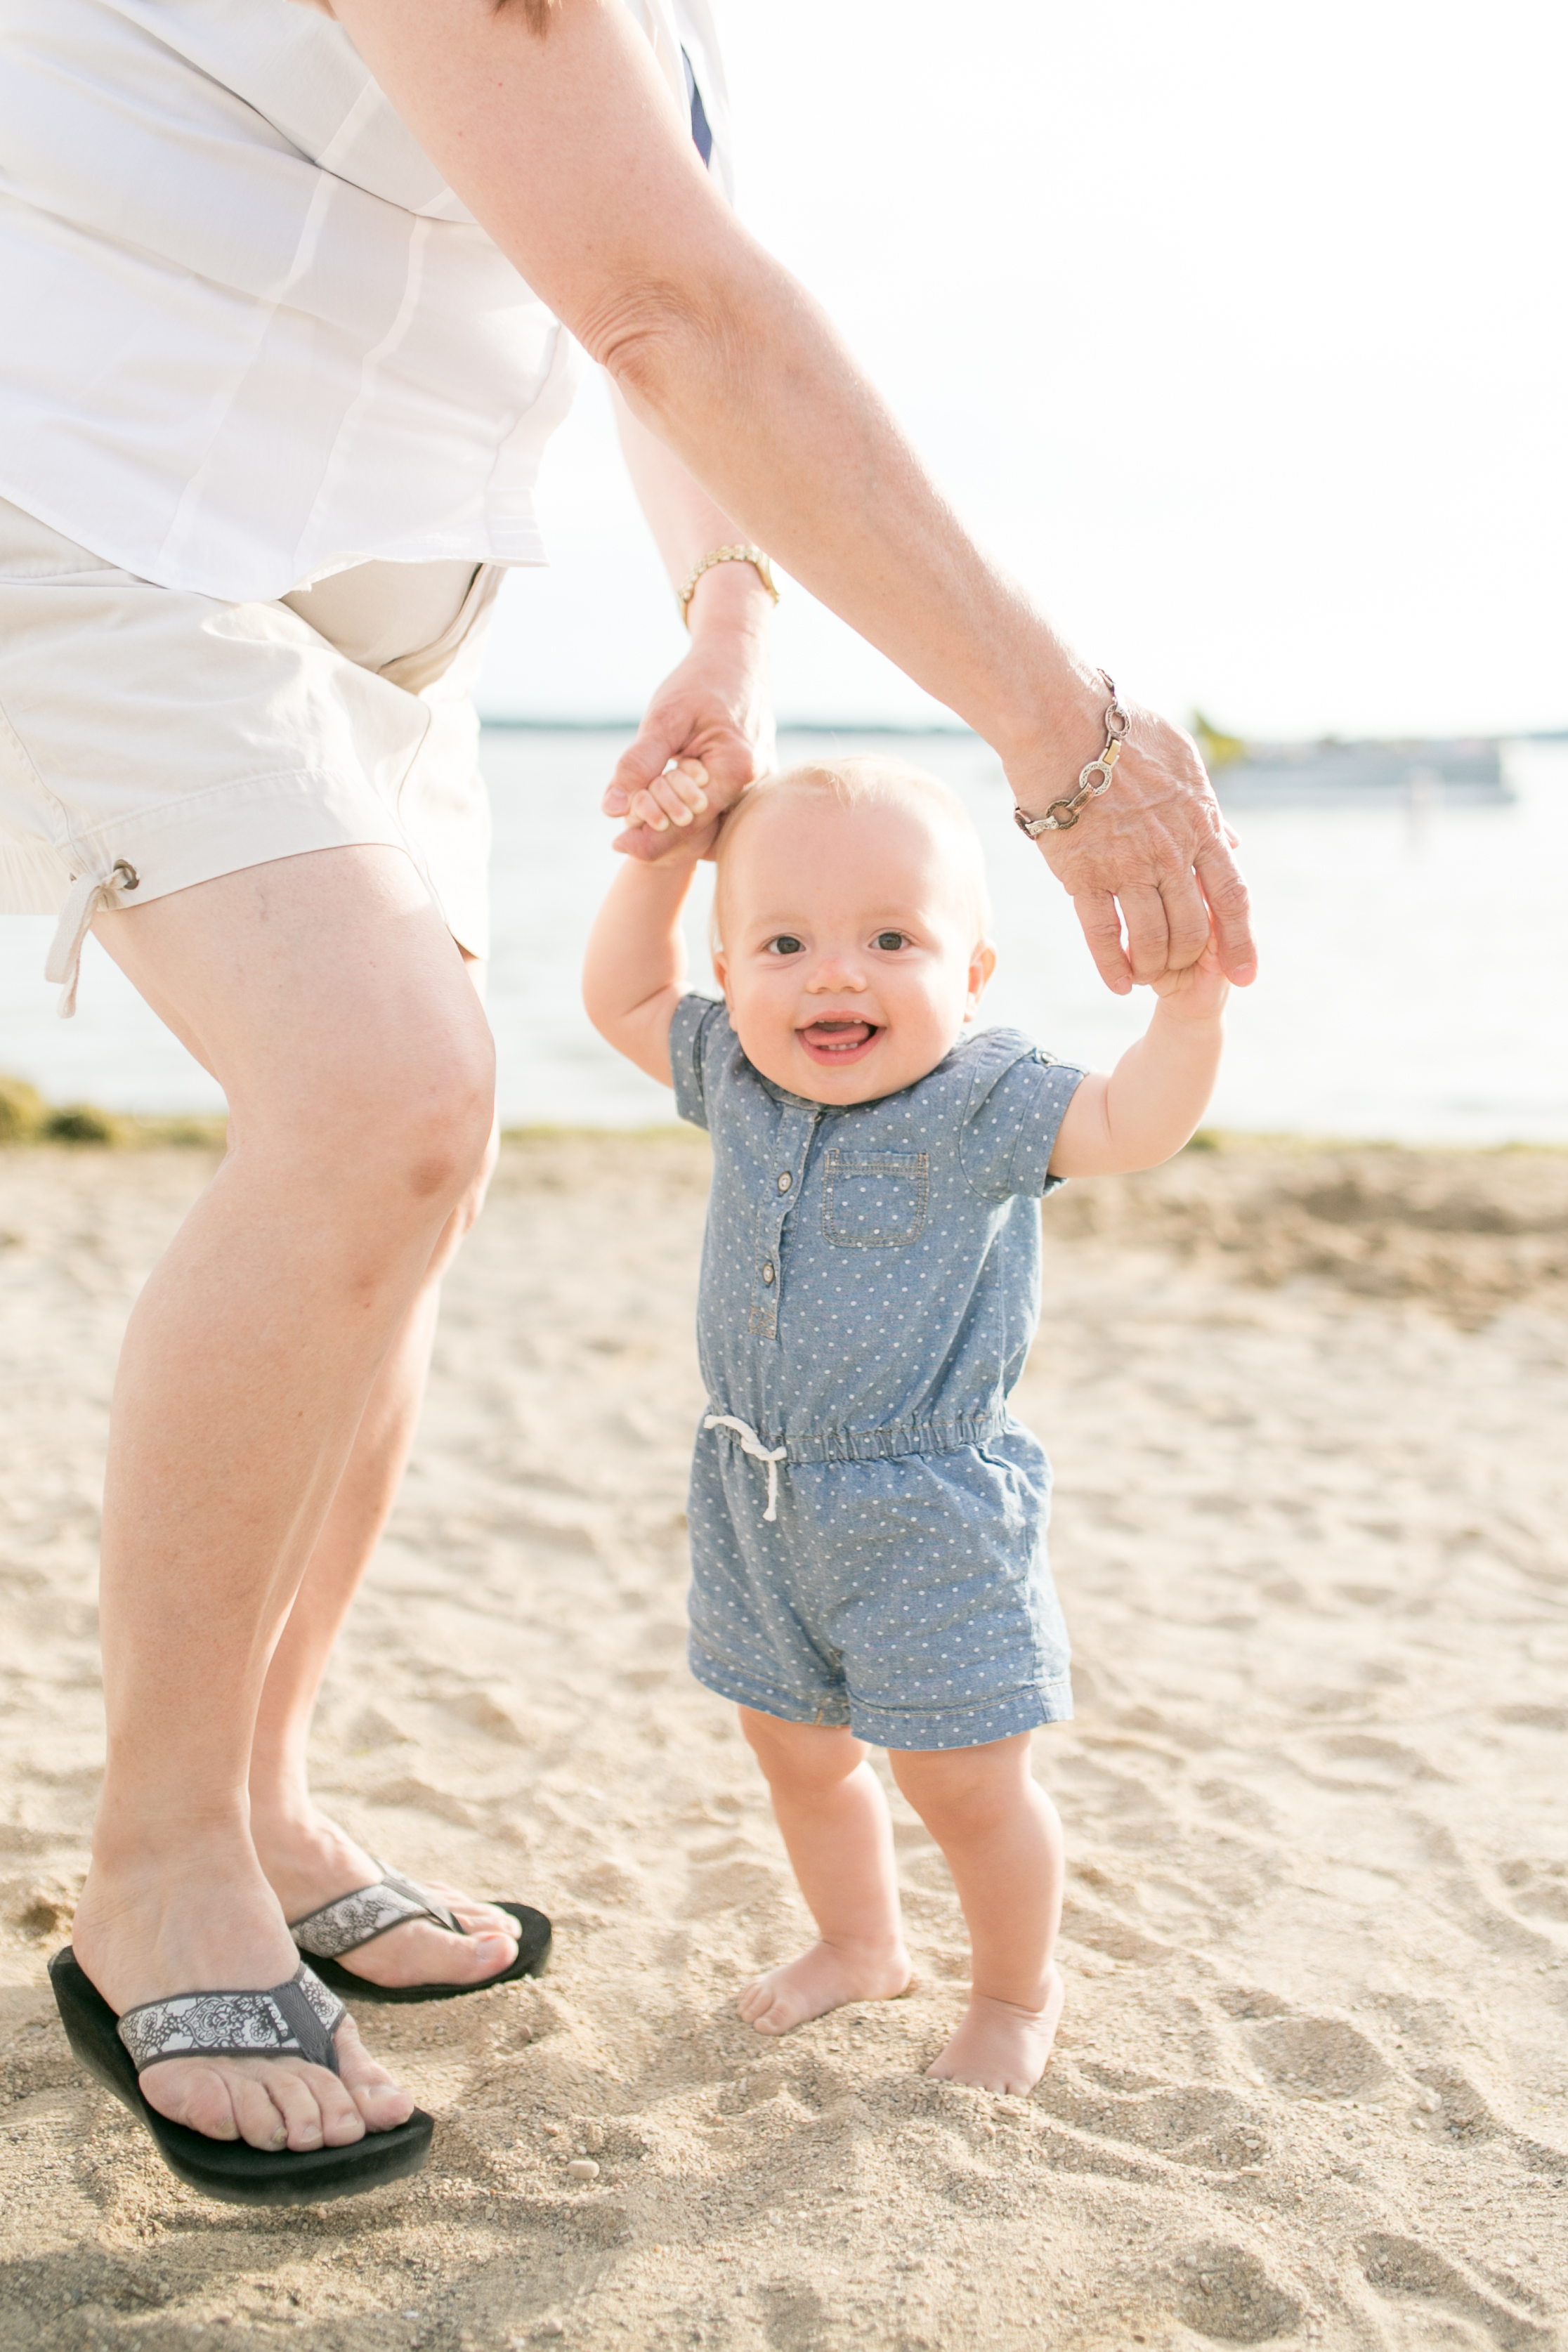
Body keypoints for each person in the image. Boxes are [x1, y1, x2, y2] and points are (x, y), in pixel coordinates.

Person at [0, 0, 1253, 2197]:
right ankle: (158, 1863)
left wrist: (727, 615)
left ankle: (270, 1799)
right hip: (99, 503)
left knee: (417, 1166)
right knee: (376, 1094)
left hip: (380, 622)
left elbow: (640, 289)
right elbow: (666, 310)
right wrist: (1067, 736)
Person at [582, 753, 1229, 2093]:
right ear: (729, 958)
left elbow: (1131, 1123)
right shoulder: (737, 1074)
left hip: (924, 1511)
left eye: (892, 939)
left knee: (965, 1787)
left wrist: (1189, 1015)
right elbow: (623, 994)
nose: (834, 975)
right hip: (756, 1493)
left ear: (974, 971)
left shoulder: (984, 1102)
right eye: (784, 942)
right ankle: (861, 1942)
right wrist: (662, 851)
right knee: (798, 1752)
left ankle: (1013, 1995)